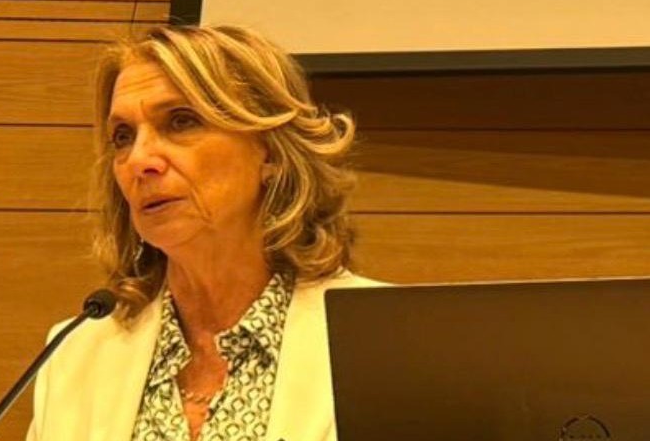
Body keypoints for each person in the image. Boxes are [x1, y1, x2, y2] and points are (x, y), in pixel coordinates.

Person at [26, 24, 387, 441]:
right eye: (123, 137)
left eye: (181, 122)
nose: (139, 159)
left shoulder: (382, 343)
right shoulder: (75, 356)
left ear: (271, 150)